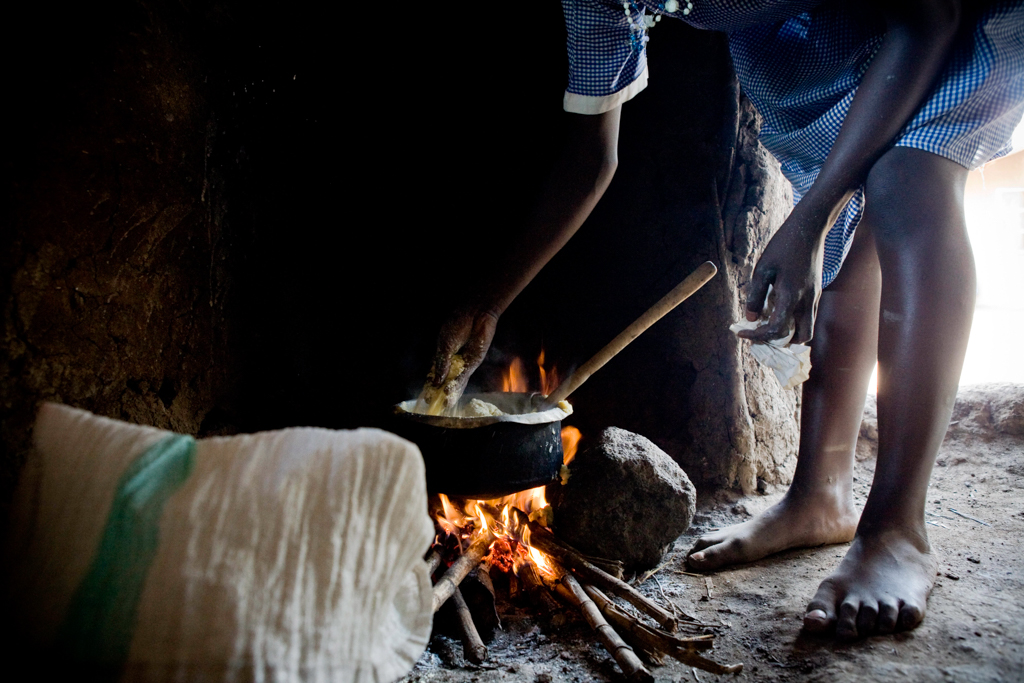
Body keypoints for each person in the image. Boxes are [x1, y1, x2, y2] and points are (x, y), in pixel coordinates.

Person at [429, 0, 1024, 640]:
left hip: (948, 24)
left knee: (910, 179)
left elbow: (930, 19)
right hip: (823, 48)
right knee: (863, 248)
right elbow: (590, 158)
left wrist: (810, 216)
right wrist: (489, 302)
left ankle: (897, 529)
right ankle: (820, 497)